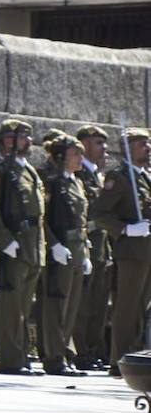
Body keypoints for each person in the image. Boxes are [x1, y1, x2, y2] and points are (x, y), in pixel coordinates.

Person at [90, 127, 151, 376]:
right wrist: (126, 229)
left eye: (148, 145)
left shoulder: (144, 177)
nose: (147, 149)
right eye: (141, 145)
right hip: (131, 252)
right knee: (126, 308)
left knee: (140, 309)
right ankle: (120, 361)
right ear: (127, 148)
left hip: (146, 252)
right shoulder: (120, 178)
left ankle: (133, 359)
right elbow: (99, 214)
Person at [0, 120, 46, 375]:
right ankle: (10, 360)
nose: (29, 141)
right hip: (15, 243)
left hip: (32, 246)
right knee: (10, 306)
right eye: (23, 137)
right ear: (8, 141)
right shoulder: (1, 172)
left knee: (22, 306)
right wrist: (4, 239)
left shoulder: (28, 171)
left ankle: (21, 355)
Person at [40, 133, 89, 377]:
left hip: (77, 249)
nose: (80, 158)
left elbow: (81, 221)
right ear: (61, 157)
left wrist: (86, 252)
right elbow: (44, 220)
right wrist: (54, 245)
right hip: (61, 249)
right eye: (75, 154)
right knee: (56, 306)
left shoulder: (75, 183)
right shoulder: (52, 183)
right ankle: (54, 357)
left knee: (71, 307)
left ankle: (66, 354)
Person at [73, 125, 112, 371]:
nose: (104, 148)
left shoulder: (97, 176)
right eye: (99, 143)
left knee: (98, 305)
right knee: (84, 305)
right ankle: (82, 351)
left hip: (102, 249)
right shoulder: (80, 175)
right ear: (85, 144)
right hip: (88, 246)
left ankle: (95, 350)